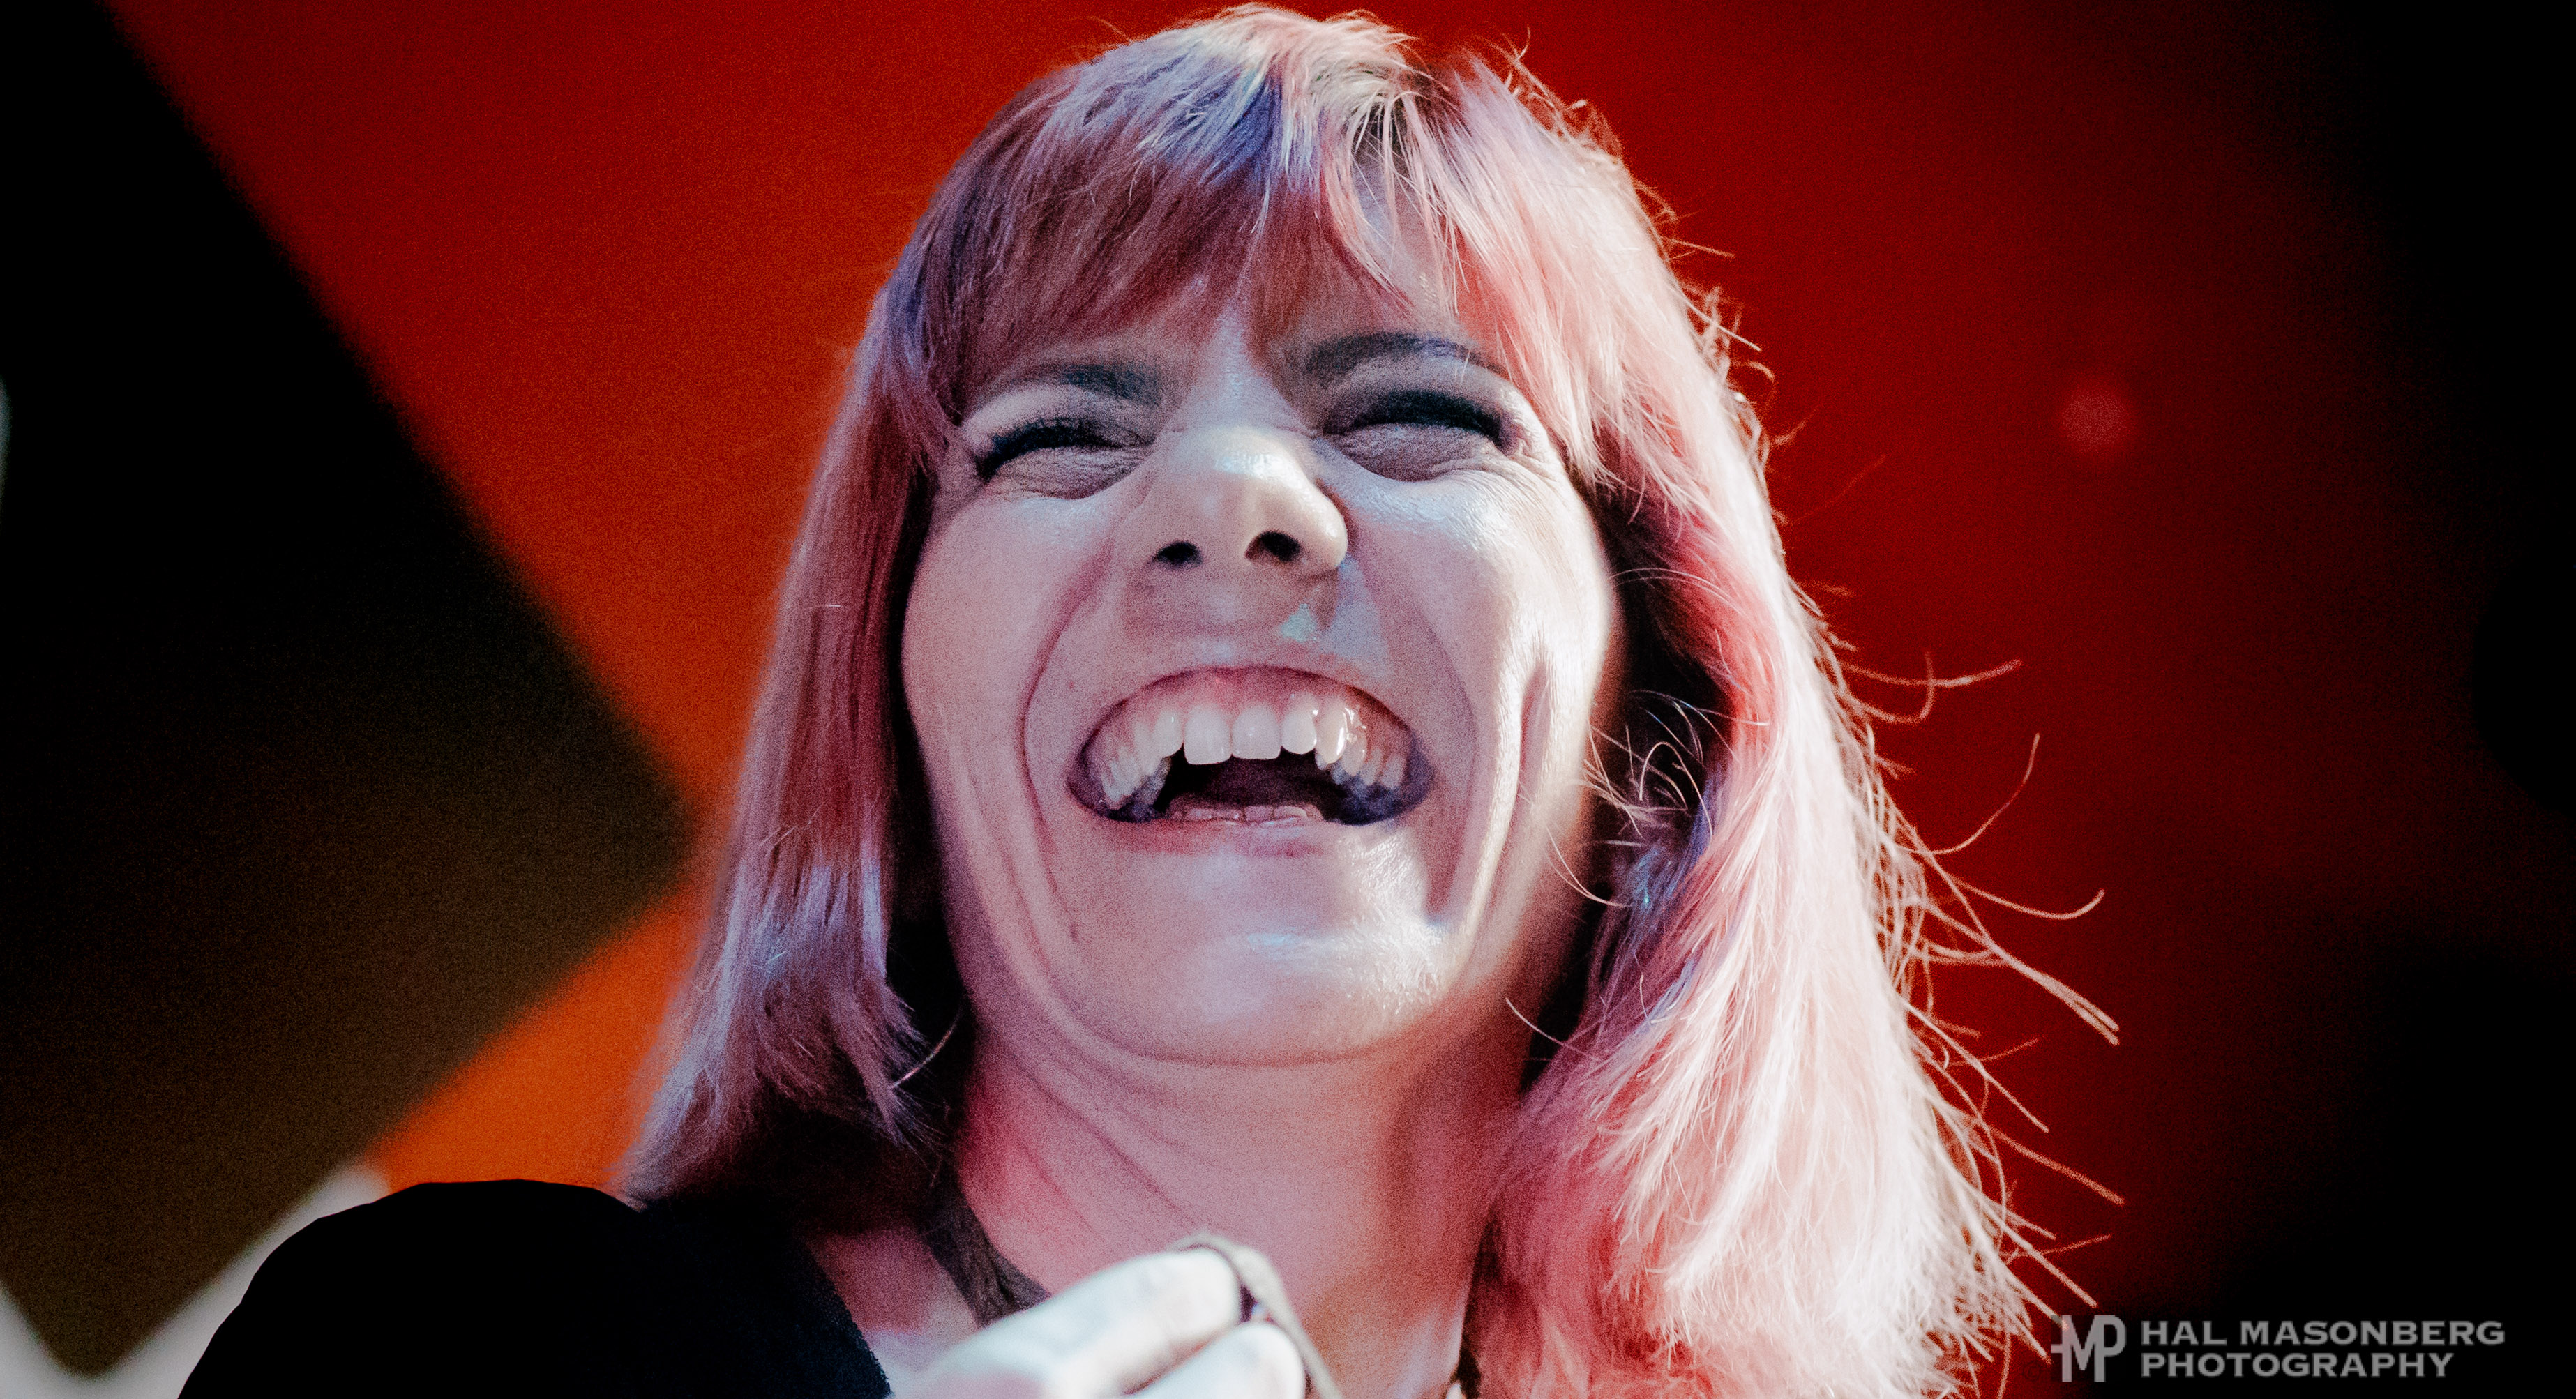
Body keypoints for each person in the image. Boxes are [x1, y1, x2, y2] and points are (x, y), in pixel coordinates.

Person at [187, 8, 2071, 1396]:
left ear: (1659, 726)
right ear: (897, 728)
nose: (1229, 501)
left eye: (1416, 412)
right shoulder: (446, 1358)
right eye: (1061, 436)